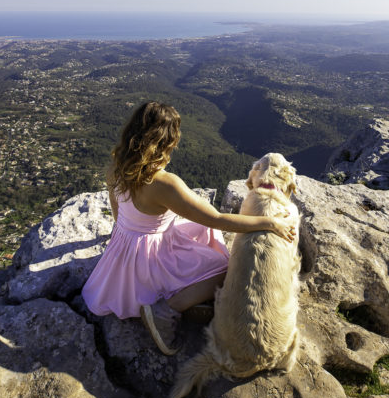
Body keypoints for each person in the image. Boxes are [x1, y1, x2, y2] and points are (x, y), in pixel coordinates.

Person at [81, 101, 296, 355]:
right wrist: (270, 223)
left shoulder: (117, 166)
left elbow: (119, 216)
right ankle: (166, 310)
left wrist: (121, 248)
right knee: (226, 268)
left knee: (200, 229)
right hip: (150, 260)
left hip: (126, 246)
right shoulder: (163, 183)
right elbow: (217, 219)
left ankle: (185, 295)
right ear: (166, 142)